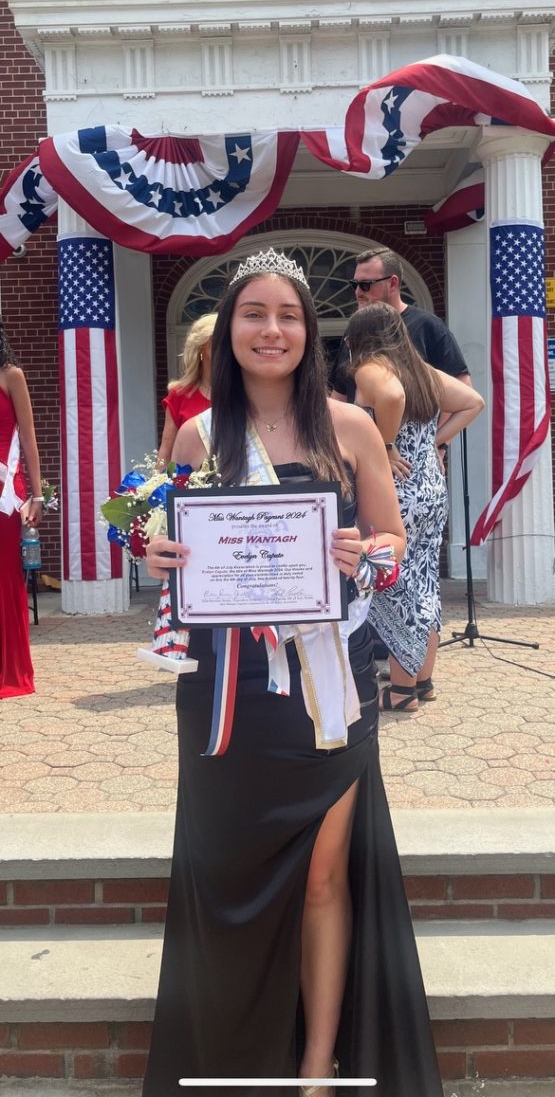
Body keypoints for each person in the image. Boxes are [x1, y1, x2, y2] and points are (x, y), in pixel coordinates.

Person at [143, 248, 444, 1097]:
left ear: (309, 334)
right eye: (252, 314)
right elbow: (169, 536)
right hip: (228, 688)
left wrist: (367, 556)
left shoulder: (348, 426)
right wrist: (156, 551)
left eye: (286, 316)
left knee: (321, 874)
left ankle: (316, 1066)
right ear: (227, 331)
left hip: (326, 687)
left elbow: (396, 542)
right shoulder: (199, 435)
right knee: (232, 867)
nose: (269, 330)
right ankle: (243, 1050)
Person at [347, 302, 484, 711]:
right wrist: (434, 441)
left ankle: (403, 689)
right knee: (424, 581)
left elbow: (390, 396)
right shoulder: (421, 370)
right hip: (429, 487)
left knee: (394, 585)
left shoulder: (372, 368)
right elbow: (473, 402)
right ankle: (422, 680)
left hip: (393, 490)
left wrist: (386, 444)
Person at [330, 246, 471, 406]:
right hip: (359, 429)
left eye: (366, 284)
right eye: (354, 284)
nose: (358, 292)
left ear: (393, 283)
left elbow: (463, 387)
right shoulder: (354, 330)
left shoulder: (428, 326)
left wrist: (436, 432)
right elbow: (340, 394)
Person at [0, 323, 43, 698]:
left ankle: (10, 670)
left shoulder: (11, 375)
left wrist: (38, 495)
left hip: (3, 494)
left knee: (5, 580)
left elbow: (28, 438)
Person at [157, 312, 216, 466]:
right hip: (191, 486)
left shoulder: (246, 392)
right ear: (202, 347)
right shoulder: (179, 396)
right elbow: (166, 454)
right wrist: (159, 488)